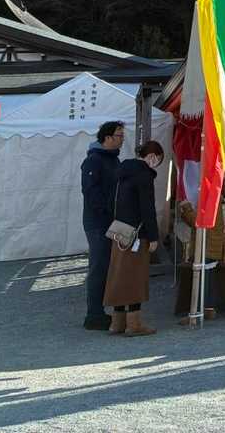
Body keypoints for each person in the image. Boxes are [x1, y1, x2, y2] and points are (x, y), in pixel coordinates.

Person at [103, 139, 164, 337]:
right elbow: (147, 208)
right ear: (152, 157)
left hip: (119, 231)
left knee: (118, 276)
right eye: (158, 160)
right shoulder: (144, 175)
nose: (156, 164)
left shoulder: (122, 171)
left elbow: (111, 201)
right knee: (136, 279)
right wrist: (153, 236)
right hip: (137, 234)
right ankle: (134, 324)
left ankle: (117, 323)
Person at [80, 120, 125, 330]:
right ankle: (94, 314)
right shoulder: (93, 161)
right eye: (119, 135)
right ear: (107, 138)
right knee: (99, 266)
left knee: (108, 266)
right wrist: (107, 211)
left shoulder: (114, 160)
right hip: (98, 222)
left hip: (111, 221)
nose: (122, 139)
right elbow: (91, 192)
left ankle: (106, 310)